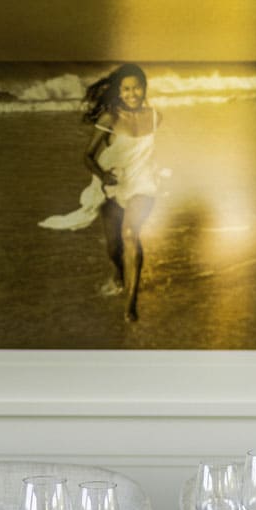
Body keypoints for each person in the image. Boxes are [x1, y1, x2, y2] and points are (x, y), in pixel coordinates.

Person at [39, 63, 160, 322]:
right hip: (112, 185)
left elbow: (158, 148)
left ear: (144, 88)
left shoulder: (155, 116)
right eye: (126, 89)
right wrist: (104, 177)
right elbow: (88, 156)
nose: (132, 93)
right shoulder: (110, 118)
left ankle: (131, 303)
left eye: (136, 88)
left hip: (143, 184)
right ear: (119, 91)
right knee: (114, 247)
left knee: (130, 234)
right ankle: (118, 274)